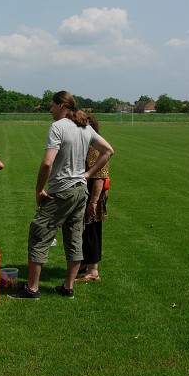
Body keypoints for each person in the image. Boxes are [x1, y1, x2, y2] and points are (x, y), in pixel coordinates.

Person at [9, 91, 114, 300]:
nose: (50, 110)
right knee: (74, 238)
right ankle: (68, 287)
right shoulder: (85, 127)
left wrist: (39, 189)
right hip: (80, 191)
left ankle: (32, 289)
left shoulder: (58, 127)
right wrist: (86, 175)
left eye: (51, 105)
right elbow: (108, 150)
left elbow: (47, 162)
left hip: (63, 191)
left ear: (60, 105)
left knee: (39, 232)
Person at [76, 116, 109, 282]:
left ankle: (93, 271)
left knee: (92, 231)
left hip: (93, 196)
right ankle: (83, 263)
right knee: (83, 230)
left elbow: (99, 178)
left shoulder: (96, 148)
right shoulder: (88, 146)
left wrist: (93, 202)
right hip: (86, 195)